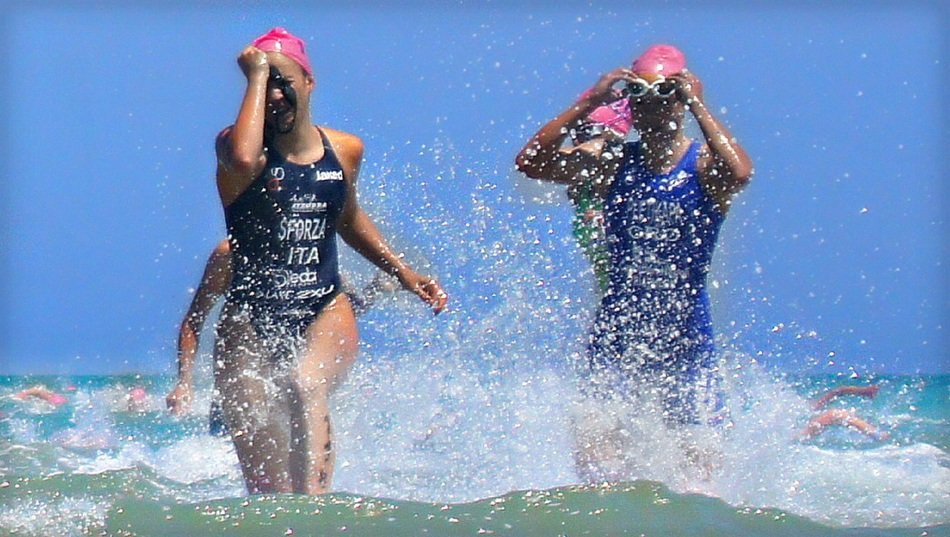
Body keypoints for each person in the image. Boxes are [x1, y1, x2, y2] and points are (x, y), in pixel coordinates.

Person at [214, 28, 447, 495]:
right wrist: (256, 75)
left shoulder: (345, 150)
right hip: (249, 318)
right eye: (264, 85)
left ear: (309, 83)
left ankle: (317, 514)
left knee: (304, 386)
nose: (274, 95)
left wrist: (402, 271)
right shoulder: (235, 147)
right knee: (268, 490)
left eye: (284, 82)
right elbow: (242, 160)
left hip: (323, 306)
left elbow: (347, 217)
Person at [516, 44, 753, 478]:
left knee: (698, 469)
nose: (651, 108)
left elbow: (739, 173)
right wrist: (590, 102)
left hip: (685, 336)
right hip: (617, 331)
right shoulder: (611, 164)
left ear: (679, 103)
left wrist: (697, 103)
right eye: (640, 97)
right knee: (596, 461)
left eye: (663, 97)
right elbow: (531, 164)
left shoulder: (703, 168)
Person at [166, 238, 401, 437]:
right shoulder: (230, 254)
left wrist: (376, 289)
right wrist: (184, 382)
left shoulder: (314, 251)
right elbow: (195, 318)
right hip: (243, 370)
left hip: (293, 365)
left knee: (294, 425)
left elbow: (343, 313)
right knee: (224, 439)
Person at [802, 384, 889, 441]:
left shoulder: (804, 407)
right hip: (800, 436)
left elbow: (834, 394)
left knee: (839, 414)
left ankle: (877, 434)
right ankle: (878, 435)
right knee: (836, 414)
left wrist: (858, 391)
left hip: (801, 434)